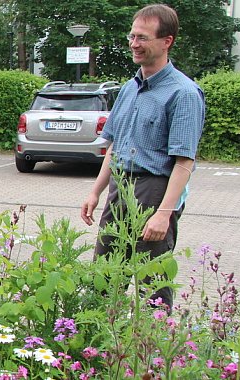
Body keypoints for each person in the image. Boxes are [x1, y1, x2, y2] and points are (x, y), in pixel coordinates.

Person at [80, 4, 205, 310]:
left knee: (153, 285)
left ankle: (153, 349)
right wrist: (95, 192)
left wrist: (165, 212)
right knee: (105, 276)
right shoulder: (128, 89)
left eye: (143, 38)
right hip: (119, 188)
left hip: (155, 189)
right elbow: (115, 145)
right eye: (132, 36)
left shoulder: (184, 93)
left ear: (167, 41)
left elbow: (184, 162)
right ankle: (103, 349)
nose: (134, 44)